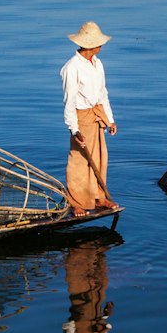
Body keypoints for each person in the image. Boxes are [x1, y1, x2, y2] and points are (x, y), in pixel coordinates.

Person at [60, 21, 117, 215]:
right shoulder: (71, 68)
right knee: (79, 159)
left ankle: (99, 197)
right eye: (99, 43)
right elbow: (69, 102)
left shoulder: (97, 64)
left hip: (97, 114)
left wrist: (110, 120)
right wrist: (74, 129)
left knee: (100, 157)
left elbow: (103, 93)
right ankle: (76, 201)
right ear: (90, 45)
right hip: (81, 117)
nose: (101, 46)